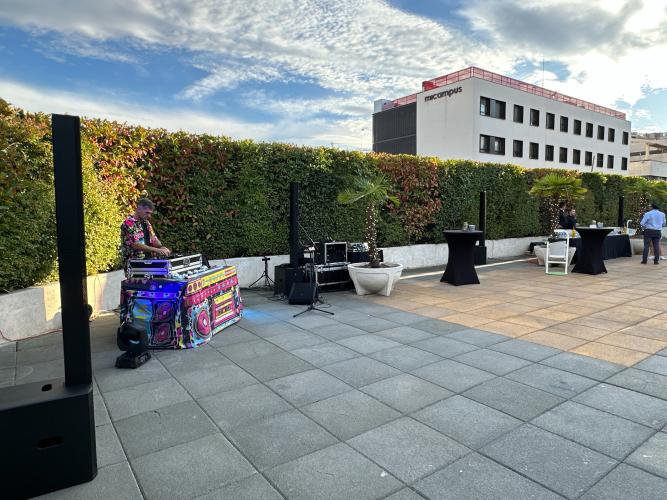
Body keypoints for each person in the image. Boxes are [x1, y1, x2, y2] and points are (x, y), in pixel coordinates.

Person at [120, 197, 171, 275]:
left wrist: (162, 248)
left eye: (150, 213)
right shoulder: (128, 223)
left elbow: (154, 239)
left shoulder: (146, 223)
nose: (149, 215)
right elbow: (136, 245)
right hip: (134, 265)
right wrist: (156, 250)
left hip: (148, 262)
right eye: (147, 213)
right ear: (139, 209)